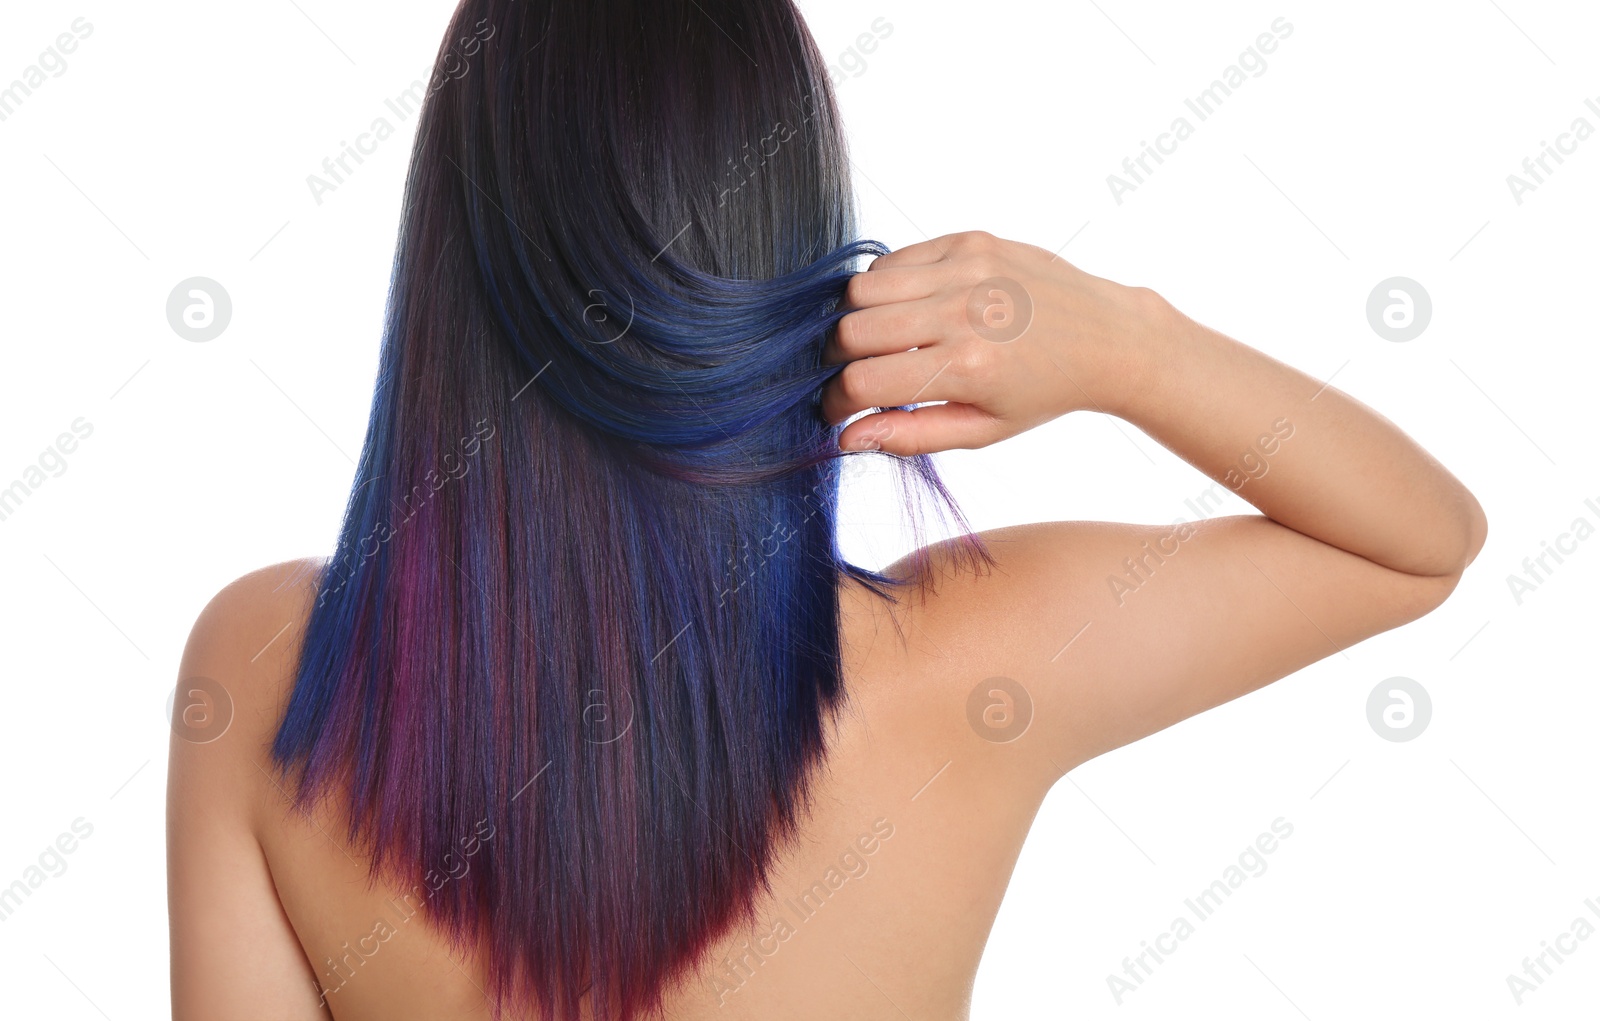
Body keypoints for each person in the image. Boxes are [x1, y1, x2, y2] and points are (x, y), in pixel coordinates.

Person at [166, 2, 1487, 1019]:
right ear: (788, 244)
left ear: (452, 257)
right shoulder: (969, 659)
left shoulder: (273, 668)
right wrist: (1128, 345)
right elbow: (1416, 541)